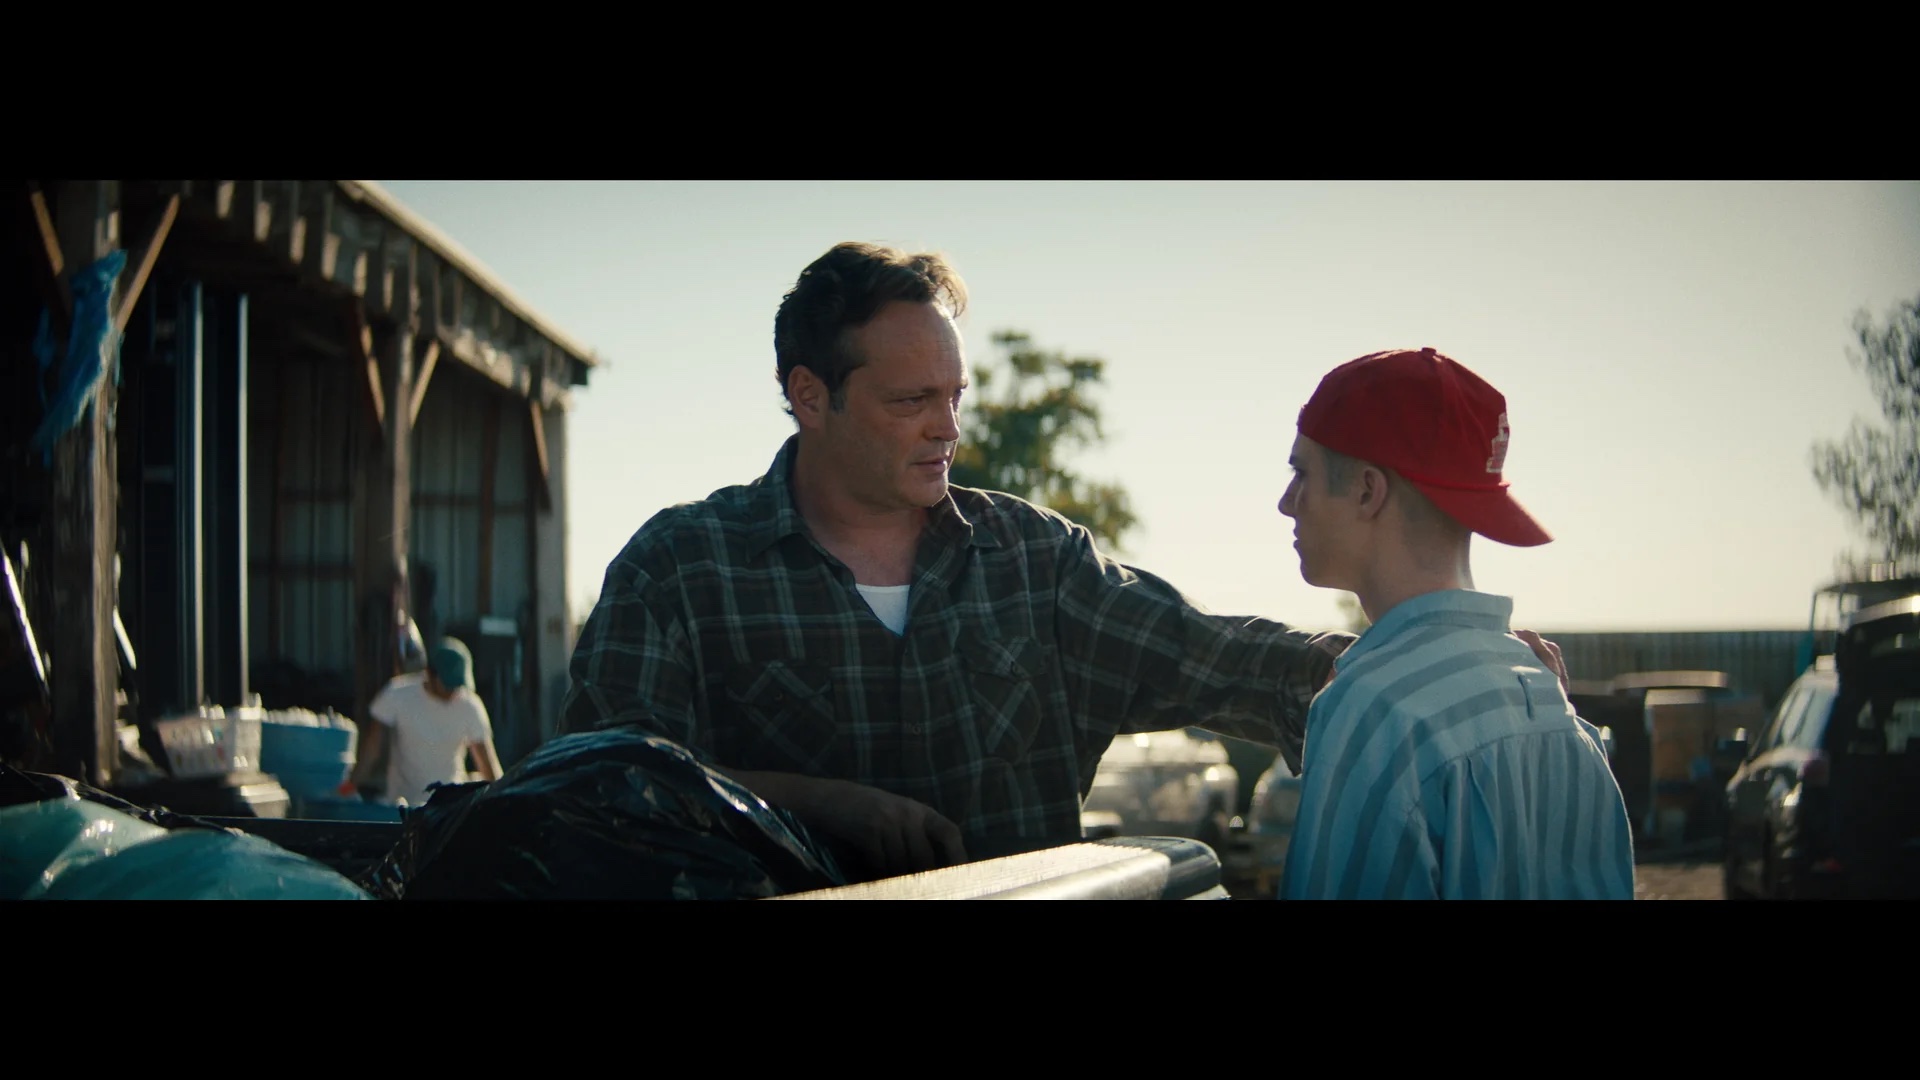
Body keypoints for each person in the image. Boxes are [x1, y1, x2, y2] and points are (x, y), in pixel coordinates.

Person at [559, 241, 1567, 884]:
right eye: (913, 401)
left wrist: (1432, 662)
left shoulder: (1034, 564)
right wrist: (823, 804)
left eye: (957, 394)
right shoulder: (681, 570)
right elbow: (598, 795)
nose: (948, 428)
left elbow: (1220, 658)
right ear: (810, 396)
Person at [1275, 347, 1634, 900]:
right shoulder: (1554, 705)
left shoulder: (1373, 709)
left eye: (1302, 472)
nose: (1286, 502)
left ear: (1368, 491)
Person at [348, 637, 503, 808]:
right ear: (429, 673)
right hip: (404, 807)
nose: (453, 692)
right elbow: (372, 749)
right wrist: (348, 787)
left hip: (449, 808)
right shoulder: (398, 696)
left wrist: (503, 800)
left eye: (457, 686)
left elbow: (487, 763)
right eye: (447, 685)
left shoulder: (470, 706)